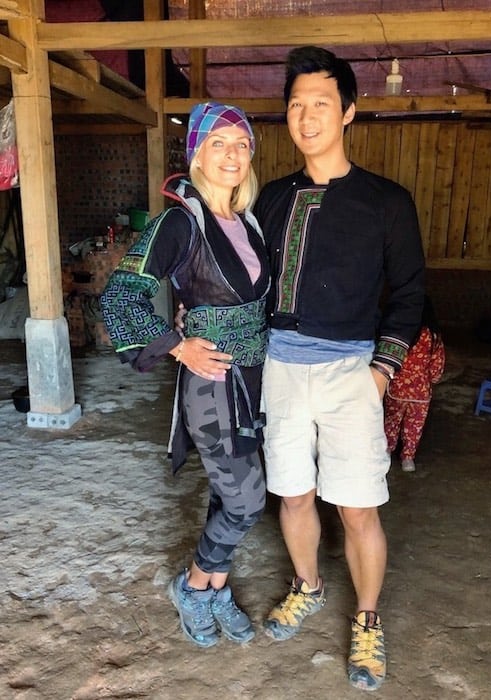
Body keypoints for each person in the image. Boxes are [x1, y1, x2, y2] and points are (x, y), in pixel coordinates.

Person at [253, 46, 426, 691]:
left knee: (357, 508)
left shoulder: (386, 202)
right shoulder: (272, 198)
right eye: (296, 104)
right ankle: (308, 586)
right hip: (281, 367)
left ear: (348, 112)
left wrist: (380, 373)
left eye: (321, 103)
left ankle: (369, 620)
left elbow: (409, 295)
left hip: (353, 371)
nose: (307, 115)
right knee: (293, 494)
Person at [100, 102, 270, 649]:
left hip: (254, 380)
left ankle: (218, 589)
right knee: (248, 501)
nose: (232, 154)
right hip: (213, 384)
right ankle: (194, 587)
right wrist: (177, 344)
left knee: (228, 495)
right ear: (197, 155)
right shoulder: (180, 220)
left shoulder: (247, 220)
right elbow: (120, 296)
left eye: (241, 144)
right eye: (218, 143)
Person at [384, 295, 445, 473]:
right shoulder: (433, 337)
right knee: (414, 425)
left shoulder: (399, 332)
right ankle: (408, 459)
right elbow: (436, 366)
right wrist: (431, 380)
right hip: (421, 392)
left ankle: (386, 453)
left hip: (397, 387)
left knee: (391, 422)